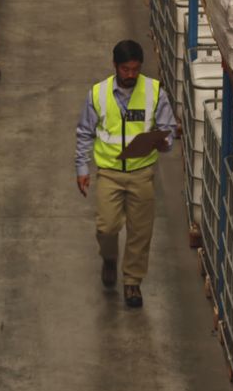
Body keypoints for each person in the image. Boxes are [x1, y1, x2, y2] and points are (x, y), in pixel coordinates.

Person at [74, 40, 178, 308]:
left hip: (142, 172)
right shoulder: (98, 94)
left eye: (135, 69)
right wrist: (82, 167)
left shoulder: (155, 92)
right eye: (125, 69)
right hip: (109, 172)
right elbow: (85, 132)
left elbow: (168, 129)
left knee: (140, 232)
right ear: (115, 66)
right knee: (106, 227)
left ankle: (132, 281)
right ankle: (109, 257)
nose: (130, 75)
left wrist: (163, 141)